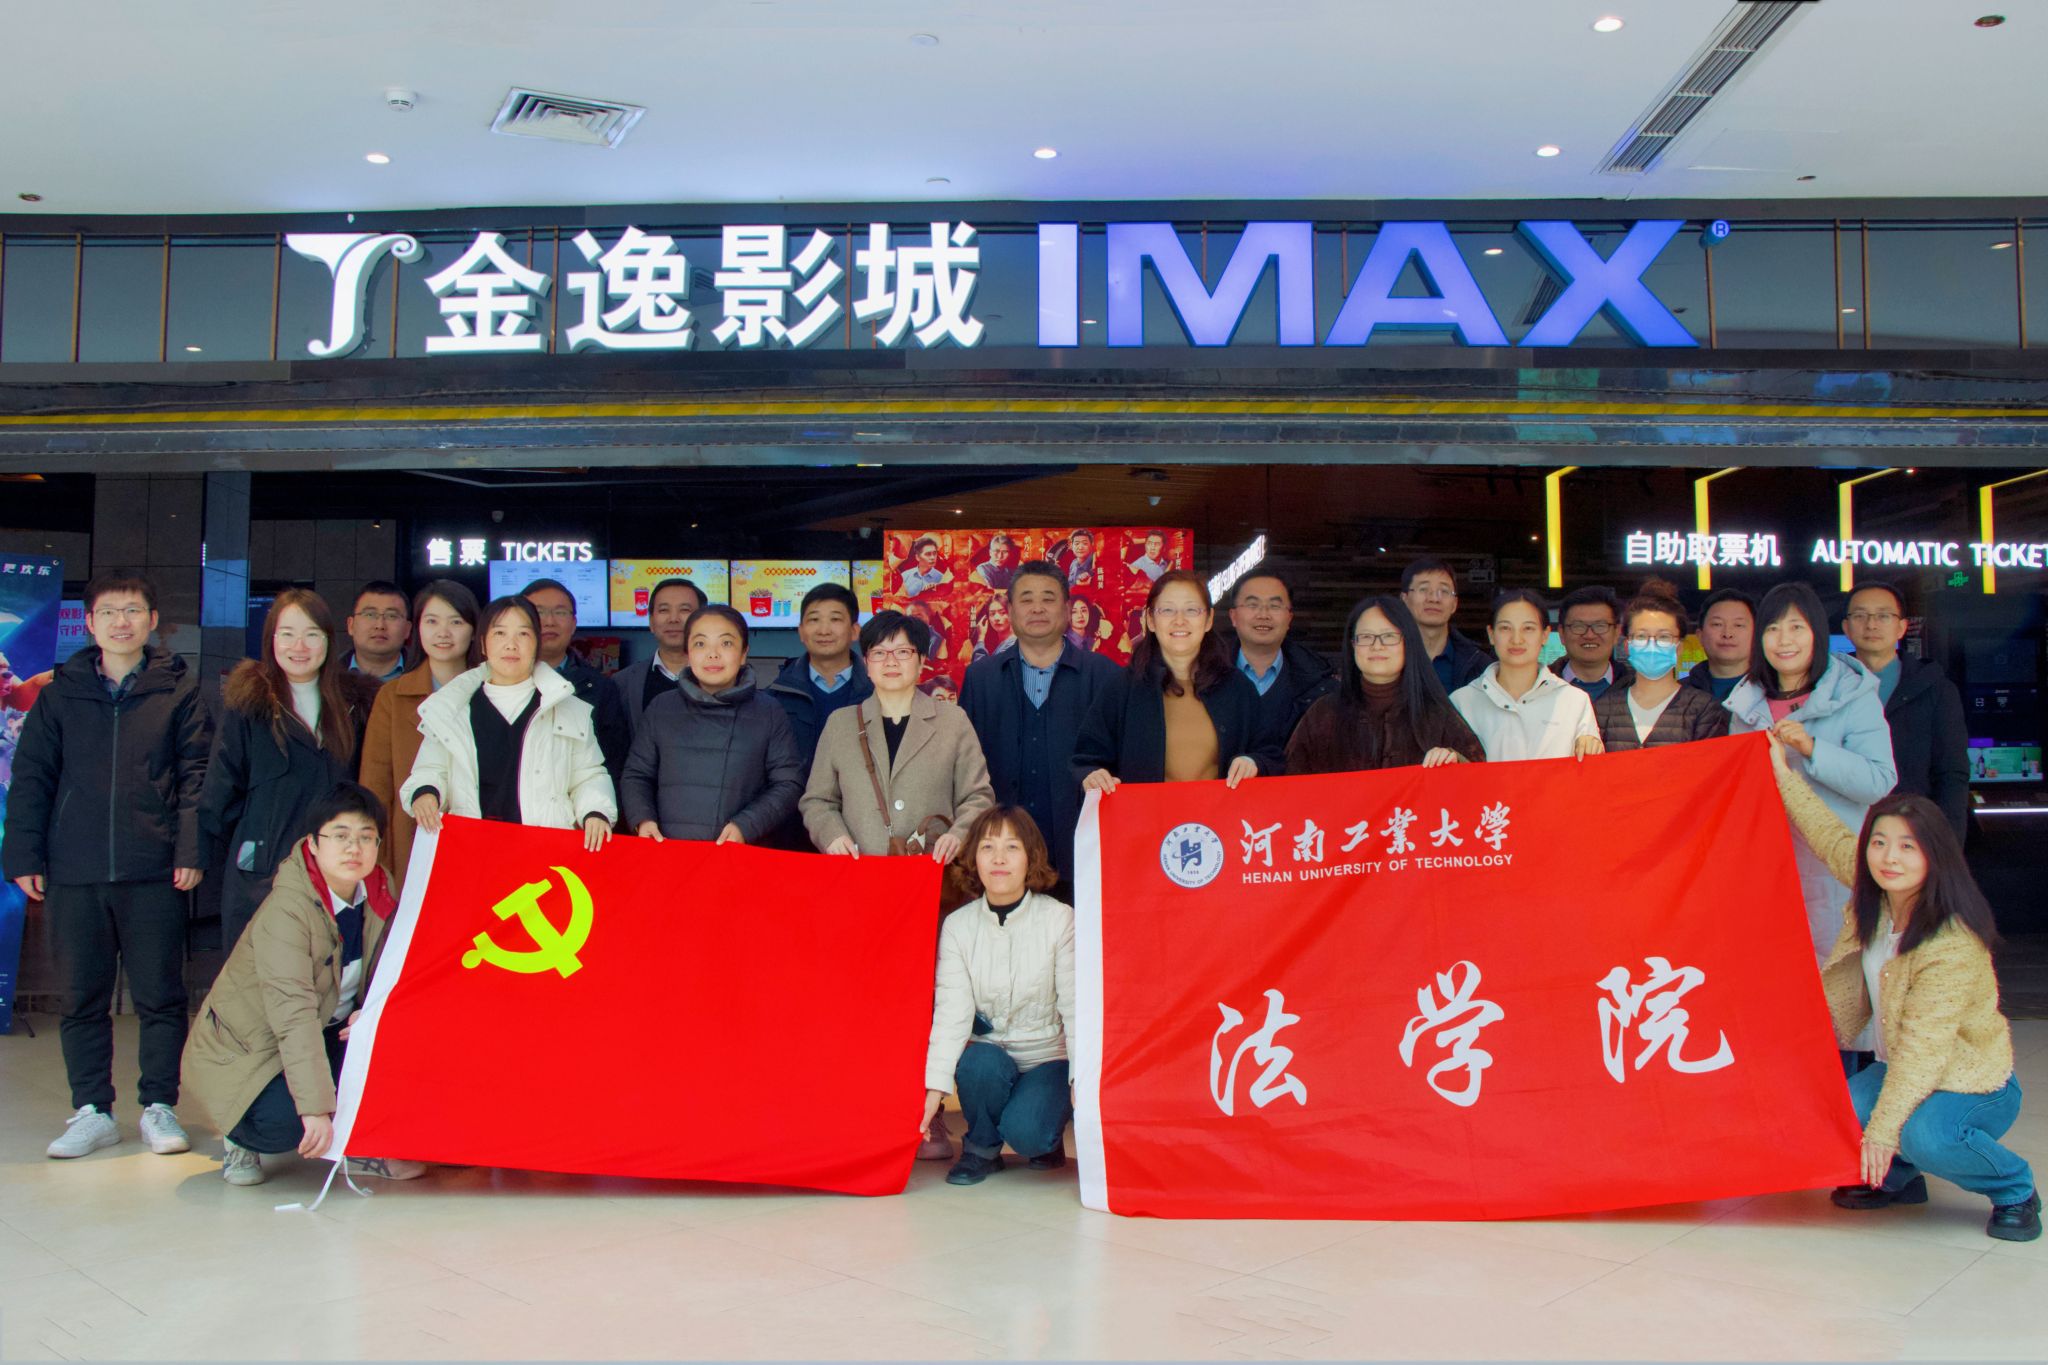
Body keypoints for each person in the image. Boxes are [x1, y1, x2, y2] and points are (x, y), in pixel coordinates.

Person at [1769, 750, 2038, 1242]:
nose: (1889, 858)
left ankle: (2014, 1188)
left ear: (1935, 856)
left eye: (1908, 847)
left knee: (1924, 1135)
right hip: (1901, 1067)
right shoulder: (1876, 898)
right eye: (1879, 843)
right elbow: (1828, 836)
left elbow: (1923, 1053)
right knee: (1836, 1111)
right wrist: (1782, 775)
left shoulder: (1950, 942)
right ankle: (1899, 1176)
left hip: (1972, 1082)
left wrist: (1881, 1134)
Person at [3, 571, 211, 1160]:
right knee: (82, 997)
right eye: (110, 611)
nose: (122, 621)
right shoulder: (61, 692)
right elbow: (33, 776)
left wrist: (190, 850)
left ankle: (159, 1106)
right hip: (75, 867)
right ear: (90, 622)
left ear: (152, 621)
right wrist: (24, 853)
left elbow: (196, 776)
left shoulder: (179, 689)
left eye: (133, 610)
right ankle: (92, 1109)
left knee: (160, 996)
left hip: (154, 869)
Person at [801, 608, 996, 1162]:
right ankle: (870, 1109)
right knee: (868, 1003)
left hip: (931, 889)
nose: (891, 662)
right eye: (880, 652)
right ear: (865, 663)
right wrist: (833, 836)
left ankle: (927, 1119)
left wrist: (959, 835)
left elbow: (979, 795)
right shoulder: (842, 724)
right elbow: (816, 800)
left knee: (929, 1002)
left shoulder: (951, 722)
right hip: (863, 888)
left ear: (920, 661)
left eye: (903, 651)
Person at [181, 783, 424, 1188]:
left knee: (412, 1052)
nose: (354, 848)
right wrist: (314, 1109)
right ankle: (240, 1137)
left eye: (366, 837)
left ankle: (357, 1143)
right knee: (286, 1123)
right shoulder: (287, 911)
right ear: (313, 843)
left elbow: (394, 970)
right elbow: (293, 1016)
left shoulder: (380, 889)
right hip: (249, 1051)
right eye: (340, 836)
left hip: (328, 1028)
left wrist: (372, 1012)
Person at [1726, 581, 1897, 974]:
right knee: (1774, 980)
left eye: (1796, 627)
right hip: (1767, 873)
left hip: (1833, 871)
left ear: (1818, 633)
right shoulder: (1745, 703)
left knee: (1836, 985)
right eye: (1772, 629)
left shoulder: (1853, 696)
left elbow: (1879, 781)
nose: (1784, 640)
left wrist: (1812, 748)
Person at [201, 589, 380, 950]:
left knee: (332, 969)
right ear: (271, 640)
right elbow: (221, 789)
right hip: (262, 871)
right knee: (260, 969)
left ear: (328, 641)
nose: (299, 646)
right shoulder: (248, 703)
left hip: (337, 870)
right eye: (287, 634)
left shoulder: (356, 704)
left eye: (312, 634)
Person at [919, 807, 1075, 1187]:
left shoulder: (1060, 919)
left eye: (1012, 847)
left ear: (1030, 857)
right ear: (974, 857)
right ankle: (981, 1149)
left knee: (1029, 1134)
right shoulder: (958, 926)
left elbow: (1076, 1007)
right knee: (978, 1065)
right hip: (990, 1056)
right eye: (987, 847)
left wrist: (1081, 1081)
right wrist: (934, 1088)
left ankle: (1042, 1133)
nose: (999, 858)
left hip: (1046, 1059)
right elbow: (951, 1014)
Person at [403, 596, 616, 851]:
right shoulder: (451, 709)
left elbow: (589, 775)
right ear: (483, 643)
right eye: (500, 633)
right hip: (472, 849)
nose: (511, 645)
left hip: (545, 849)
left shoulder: (567, 708)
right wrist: (426, 792)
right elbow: (430, 769)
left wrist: (595, 812)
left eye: (523, 634)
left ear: (537, 643)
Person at [959, 561, 1123, 890]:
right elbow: (963, 765)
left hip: (1083, 855)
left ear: (1067, 609)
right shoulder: (981, 678)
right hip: (999, 858)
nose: (1037, 608)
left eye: (1048, 599)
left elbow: (1123, 758)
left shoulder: (1104, 675)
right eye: (1026, 599)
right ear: (1009, 610)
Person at [1075, 571, 1285, 792]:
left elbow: (1270, 753)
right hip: (1146, 813)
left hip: (1218, 813)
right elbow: (1087, 759)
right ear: (1150, 620)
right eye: (1167, 610)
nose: (1179, 620)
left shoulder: (1236, 687)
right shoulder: (1122, 687)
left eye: (1191, 610)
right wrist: (1093, 774)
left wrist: (1253, 762)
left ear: (1208, 620)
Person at [621, 605, 804, 845]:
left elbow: (788, 783)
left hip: (738, 853)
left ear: (743, 653)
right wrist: (643, 820)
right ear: (688, 653)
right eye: (700, 644)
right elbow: (636, 775)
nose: (713, 654)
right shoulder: (661, 708)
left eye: (726, 643)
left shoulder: (768, 711)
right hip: (669, 851)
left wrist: (746, 825)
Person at [359, 580, 479, 887]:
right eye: (432, 621)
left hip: (479, 845)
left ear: (474, 630)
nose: (443, 633)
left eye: (456, 622)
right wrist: (380, 867)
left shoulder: (491, 693)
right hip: (411, 845)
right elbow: (376, 787)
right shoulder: (393, 696)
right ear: (416, 629)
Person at [1286, 595, 1484, 773]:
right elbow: (1291, 782)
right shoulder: (1323, 714)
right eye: (1366, 637)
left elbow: (1477, 777)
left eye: (1389, 636)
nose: (1377, 646)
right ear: (1353, 645)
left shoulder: (1437, 715)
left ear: (1408, 643)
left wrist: (1453, 762)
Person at [1845, 581, 1969, 838]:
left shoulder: (1936, 689)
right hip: (1841, 832)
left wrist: (1947, 846)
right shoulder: (1826, 689)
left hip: (1911, 836)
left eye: (1883, 616)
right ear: (1846, 627)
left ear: (1902, 627)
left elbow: (1951, 775)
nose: (1871, 625)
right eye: (1860, 616)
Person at [1450, 589, 1602, 762]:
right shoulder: (1462, 702)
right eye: (1505, 628)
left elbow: (1591, 772)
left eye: (1528, 628)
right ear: (1491, 634)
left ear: (1545, 635)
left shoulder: (1574, 702)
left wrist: (1592, 747)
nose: (1517, 639)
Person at [521, 577, 631, 786]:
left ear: (573, 624)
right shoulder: (497, 682)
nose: (549, 621)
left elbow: (613, 764)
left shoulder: (601, 688)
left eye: (560, 612)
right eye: (538, 612)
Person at [1594, 590, 1730, 751]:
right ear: (1627, 646)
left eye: (1664, 637)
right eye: (1641, 636)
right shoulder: (1603, 709)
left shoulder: (1704, 709)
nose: (1652, 646)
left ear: (1679, 648)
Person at [767, 582, 873, 772]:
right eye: (814, 619)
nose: (824, 630)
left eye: (835, 619)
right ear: (801, 632)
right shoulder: (775, 698)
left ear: (854, 631)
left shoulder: (876, 692)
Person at [1227, 571, 1336, 747]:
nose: (1263, 614)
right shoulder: (1204, 677)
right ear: (1233, 616)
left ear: (1289, 618)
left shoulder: (1319, 685)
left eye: (1275, 606)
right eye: (1252, 605)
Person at [610, 578, 706, 743]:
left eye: (685, 610)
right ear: (651, 622)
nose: (673, 619)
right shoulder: (622, 683)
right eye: (663, 610)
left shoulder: (723, 679)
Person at [1399, 557, 1490, 693]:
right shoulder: (1386, 657)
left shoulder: (1479, 665)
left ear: (1454, 604)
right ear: (1404, 599)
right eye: (1423, 589)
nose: (1434, 598)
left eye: (1444, 591)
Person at [1551, 585, 1633, 702]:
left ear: (1617, 633)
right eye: (1578, 626)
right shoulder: (1539, 687)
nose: (1590, 635)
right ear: (1561, 633)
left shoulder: (1636, 686)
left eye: (1600, 626)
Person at [1684, 588, 1755, 704]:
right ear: (1700, 635)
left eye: (1738, 625)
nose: (1727, 634)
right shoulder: (1677, 695)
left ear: (1756, 634)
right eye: (1717, 624)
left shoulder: (1773, 691)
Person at [342, 581, 412, 683]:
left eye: (391, 616)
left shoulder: (427, 677)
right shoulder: (327, 677)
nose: (380, 626)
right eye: (370, 615)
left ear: (407, 629)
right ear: (351, 625)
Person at [968, 592, 1013, 663]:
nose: (997, 618)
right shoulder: (1000, 643)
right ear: (987, 618)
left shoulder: (1012, 645)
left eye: (1002, 612)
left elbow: (980, 668)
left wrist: (981, 638)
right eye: (992, 614)